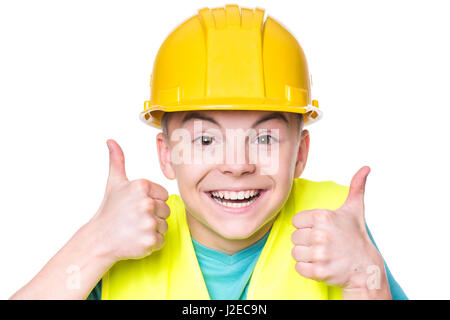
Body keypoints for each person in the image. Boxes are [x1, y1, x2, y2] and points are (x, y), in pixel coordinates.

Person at [10, 4, 407, 300]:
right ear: (167, 154)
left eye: (265, 138)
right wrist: (94, 242)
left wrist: (366, 279)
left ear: (300, 153)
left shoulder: (336, 226)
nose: (236, 165)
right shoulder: (121, 241)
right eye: (205, 139)